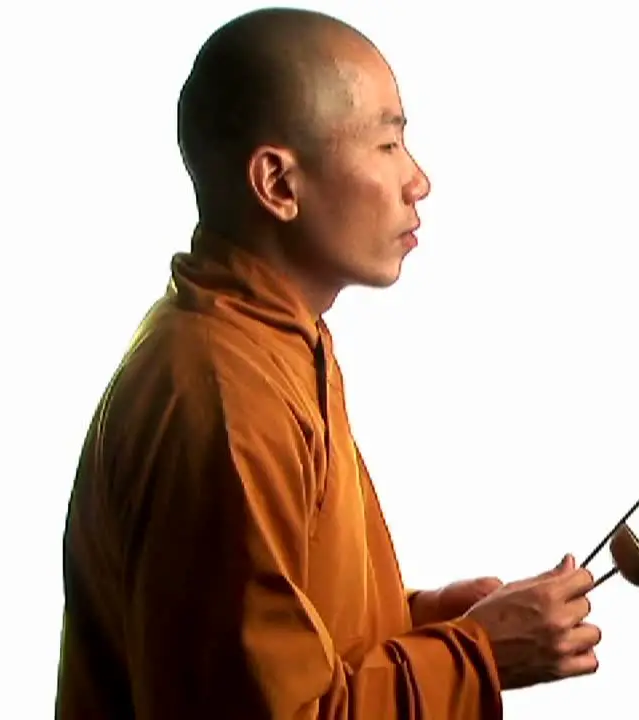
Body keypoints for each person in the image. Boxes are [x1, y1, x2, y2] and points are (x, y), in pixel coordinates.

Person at [55, 7, 601, 719]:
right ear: (278, 184)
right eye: (387, 144)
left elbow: (279, 646)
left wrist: (428, 626)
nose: (419, 181)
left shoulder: (275, 343)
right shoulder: (224, 394)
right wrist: (478, 658)